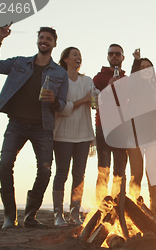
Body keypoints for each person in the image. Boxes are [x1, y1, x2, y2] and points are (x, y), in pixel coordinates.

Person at [0, 25, 68, 228]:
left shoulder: (60, 73)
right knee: (5, 164)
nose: (44, 41)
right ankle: (9, 216)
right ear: (37, 40)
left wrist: (54, 101)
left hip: (43, 127)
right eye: (41, 37)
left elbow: (63, 103)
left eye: (48, 38)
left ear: (54, 43)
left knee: (46, 171)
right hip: (17, 123)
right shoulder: (19, 63)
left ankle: (30, 215)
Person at [93, 44, 143, 205]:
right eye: (111, 54)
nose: (114, 56)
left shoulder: (126, 80)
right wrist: (109, 86)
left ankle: (117, 206)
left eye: (117, 54)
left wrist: (136, 63)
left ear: (122, 58)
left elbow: (135, 88)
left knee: (120, 171)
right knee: (103, 170)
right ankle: (101, 208)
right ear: (108, 57)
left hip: (122, 129)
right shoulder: (99, 78)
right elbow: (95, 102)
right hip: (103, 128)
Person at [52, 47, 95, 226]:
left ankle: (75, 214)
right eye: (75, 54)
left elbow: (94, 101)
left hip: (83, 135)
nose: (78, 57)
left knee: (79, 176)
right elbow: (61, 108)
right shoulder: (59, 80)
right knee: (61, 174)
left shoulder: (87, 80)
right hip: (62, 134)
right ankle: (58, 215)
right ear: (66, 59)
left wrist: (93, 99)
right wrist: (83, 100)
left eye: (80, 55)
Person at [125, 50, 156, 215]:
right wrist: (135, 63)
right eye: (142, 67)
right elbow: (130, 87)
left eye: (148, 67)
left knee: (152, 170)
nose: (145, 69)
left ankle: (154, 208)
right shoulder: (134, 87)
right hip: (135, 134)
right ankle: (134, 207)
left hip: (155, 134)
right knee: (136, 172)